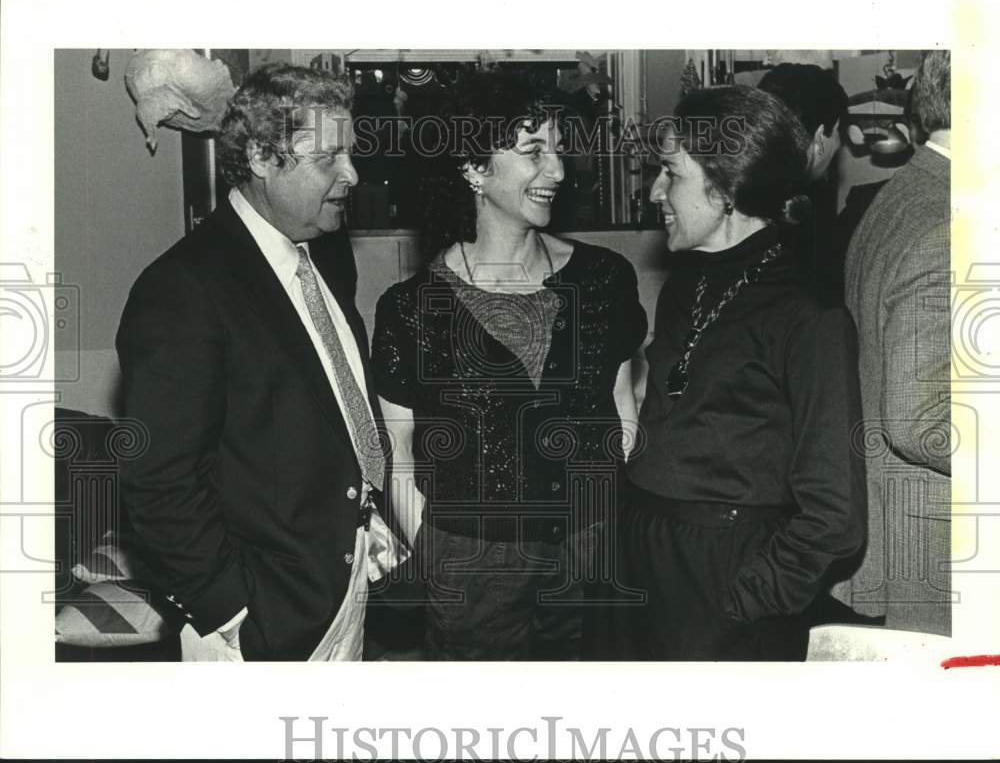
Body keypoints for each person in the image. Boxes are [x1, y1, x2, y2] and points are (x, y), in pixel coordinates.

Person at [117, 64, 394, 661]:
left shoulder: (327, 254)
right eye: (329, 159)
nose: (352, 174)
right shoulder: (182, 288)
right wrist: (231, 612)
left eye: (350, 153)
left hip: (344, 585)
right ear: (264, 158)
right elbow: (159, 483)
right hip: (258, 622)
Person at [370, 69, 647, 660]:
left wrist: (602, 519)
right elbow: (397, 452)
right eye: (532, 151)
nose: (557, 170)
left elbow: (623, 407)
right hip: (472, 570)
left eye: (558, 149)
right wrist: (436, 549)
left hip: (592, 559)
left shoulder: (603, 280)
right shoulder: (412, 309)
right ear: (474, 169)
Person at [595, 86, 866, 661]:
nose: (655, 192)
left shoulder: (809, 316)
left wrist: (749, 597)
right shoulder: (683, 286)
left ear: (725, 186)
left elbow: (835, 513)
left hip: (723, 581)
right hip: (640, 562)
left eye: (671, 173)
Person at [831, 50, 952, 636]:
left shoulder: (908, 191)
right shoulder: (948, 217)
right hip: (941, 543)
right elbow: (920, 419)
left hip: (905, 528)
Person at [758, 63, 849, 305]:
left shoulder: (742, 195)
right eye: (839, 132)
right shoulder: (810, 221)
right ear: (820, 136)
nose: (840, 144)